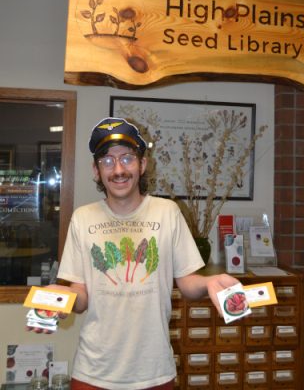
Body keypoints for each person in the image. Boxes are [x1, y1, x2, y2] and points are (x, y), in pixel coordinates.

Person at [27, 117, 240, 390]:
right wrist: (62, 298)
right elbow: (81, 297)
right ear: (96, 170)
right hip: (93, 372)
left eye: (127, 158)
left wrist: (210, 282)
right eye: (107, 161)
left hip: (154, 370)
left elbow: (187, 282)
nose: (118, 169)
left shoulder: (167, 212)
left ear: (143, 164)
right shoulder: (83, 218)